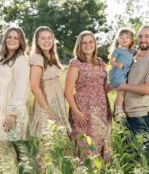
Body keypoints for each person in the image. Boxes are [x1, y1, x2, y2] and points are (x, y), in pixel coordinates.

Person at [117, 25, 149, 173]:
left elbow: (148, 89)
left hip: (141, 116)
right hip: (126, 116)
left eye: (147, 36)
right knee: (131, 161)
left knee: (148, 161)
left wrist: (123, 86)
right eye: (140, 36)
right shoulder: (135, 59)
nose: (143, 39)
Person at [0, 26, 30, 172]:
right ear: (5, 39)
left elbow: (21, 88)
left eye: (16, 37)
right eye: (9, 37)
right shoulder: (2, 59)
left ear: (21, 41)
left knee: (7, 149)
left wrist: (12, 114)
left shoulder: (21, 59)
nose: (12, 40)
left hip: (10, 110)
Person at [65, 30, 112, 161]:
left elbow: (103, 89)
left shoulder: (100, 62)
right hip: (83, 111)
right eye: (84, 43)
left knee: (100, 144)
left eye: (91, 42)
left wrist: (116, 82)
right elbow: (68, 91)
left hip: (101, 109)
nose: (88, 45)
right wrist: (77, 112)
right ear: (79, 45)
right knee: (85, 146)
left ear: (95, 44)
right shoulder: (76, 63)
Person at [30, 26, 71, 136]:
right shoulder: (37, 58)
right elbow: (34, 86)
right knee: (49, 139)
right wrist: (47, 111)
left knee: (60, 141)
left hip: (57, 103)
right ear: (37, 41)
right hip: (46, 103)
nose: (47, 41)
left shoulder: (52, 56)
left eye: (49, 38)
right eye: (43, 38)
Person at [108, 28, 135, 122]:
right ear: (118, 39)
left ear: (131, 40)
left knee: (121, 93)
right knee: (121, 91)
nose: (124, 39)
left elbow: (136, 56)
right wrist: (117, 64)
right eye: (122, 37)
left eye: (127, 37)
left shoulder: (131, 51)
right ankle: (118, 111)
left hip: (123, 74)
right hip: (117, 74)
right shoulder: (117, 50)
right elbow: (111, 61)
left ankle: (116, 109)